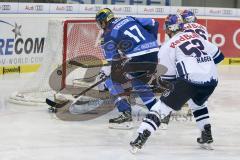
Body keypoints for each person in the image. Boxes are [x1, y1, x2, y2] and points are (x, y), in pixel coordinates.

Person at [130, 14, 224, 152]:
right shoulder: (197, 37)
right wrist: (201, 67)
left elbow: (168, 79)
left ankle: (141, 136)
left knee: (161, 106)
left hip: (190, 80)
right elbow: (219, 56)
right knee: (198, 104)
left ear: (168, 29)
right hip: (212, 80)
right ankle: (207, 135)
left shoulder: (167, 46)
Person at [95, 8, 160, 129]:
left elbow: (112, 62)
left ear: (104, 21)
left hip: (138, 58)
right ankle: (157, 111)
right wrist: (152, 41)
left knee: (109, 78)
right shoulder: (128, 18)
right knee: (137, 81)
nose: (100, 25)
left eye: (100, 22)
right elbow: (154, 22)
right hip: (154, 53)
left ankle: (125, 114)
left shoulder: (108, 35)